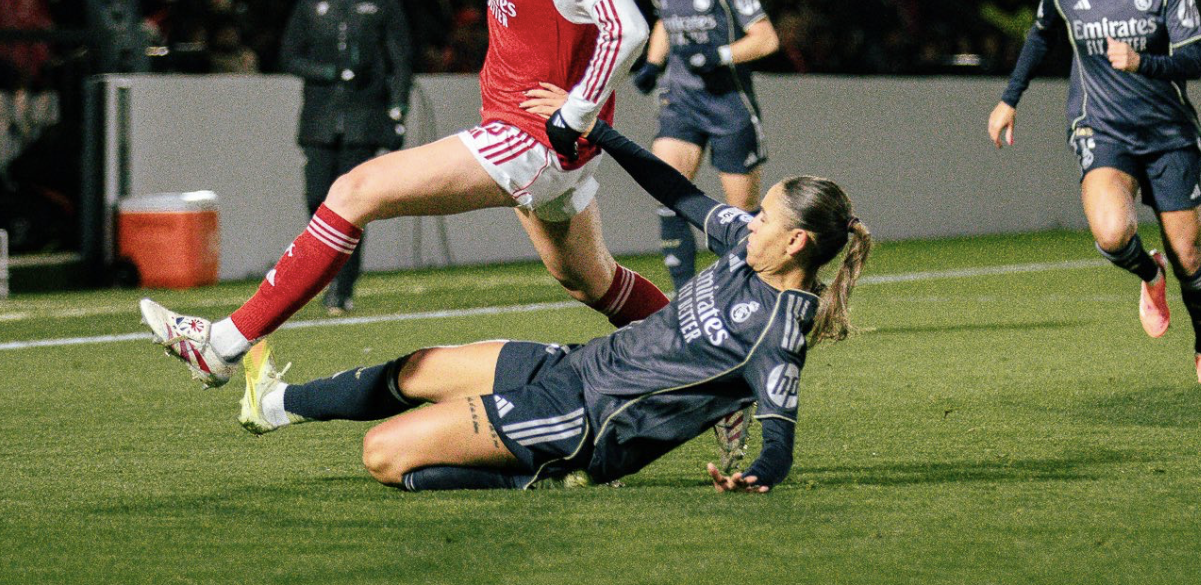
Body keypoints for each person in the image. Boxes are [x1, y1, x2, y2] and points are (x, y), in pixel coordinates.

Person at [141, 0, 667, 387]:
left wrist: (576, 111)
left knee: (353, 192)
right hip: (556, 142)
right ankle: (717, 365)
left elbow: (628, 27)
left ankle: (224, 343)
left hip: (531, 139)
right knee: (591, 280)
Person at [234, 111, 870, 493]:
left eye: (764, 218)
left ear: (795, 242)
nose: (747, 220)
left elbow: (780, 441)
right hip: (576, 365)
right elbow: (680, 192)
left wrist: (756, 474)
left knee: (384, 455)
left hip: (582, 424)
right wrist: (606, 136)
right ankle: (273, 405)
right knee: (418, 369)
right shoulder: (744, 247)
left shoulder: (779, 333)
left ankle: (538, 474)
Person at [986, 0, 1201, 383]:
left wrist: (1143, 62)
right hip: (1101, 128)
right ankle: (1148, 272)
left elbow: (1192, 63)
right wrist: (1010, 99)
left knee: (1190, 254)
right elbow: (1040, 34)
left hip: (1168, 133)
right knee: (1113, 234)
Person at [630, 0, 781, 292]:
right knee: (669, 192)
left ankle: (747, 292)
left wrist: (718, 55)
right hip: (681, 100)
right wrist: (652, 64)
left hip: (728, 104)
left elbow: (766, 39)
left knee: (741, 214)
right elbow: (664, 21)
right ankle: (683, 296)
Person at [278, 0, 414, 315]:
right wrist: (330, 72)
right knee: (316, 201)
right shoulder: (310, 2)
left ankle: (343, 287)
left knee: (351, 207)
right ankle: (321, 280)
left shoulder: (383, 3)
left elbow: (401, 62)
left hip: (363, 120)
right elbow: (289, 56)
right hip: (319, 120)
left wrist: (397, 110)